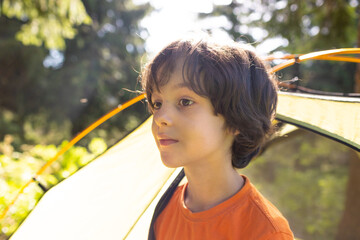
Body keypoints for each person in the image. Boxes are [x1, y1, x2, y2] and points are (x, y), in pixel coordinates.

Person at [140, 34, 294, 240]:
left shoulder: (265, 231)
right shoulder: (164, 210)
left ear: (236, 119)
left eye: (185, 101)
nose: (160, 117)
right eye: (157, 103)